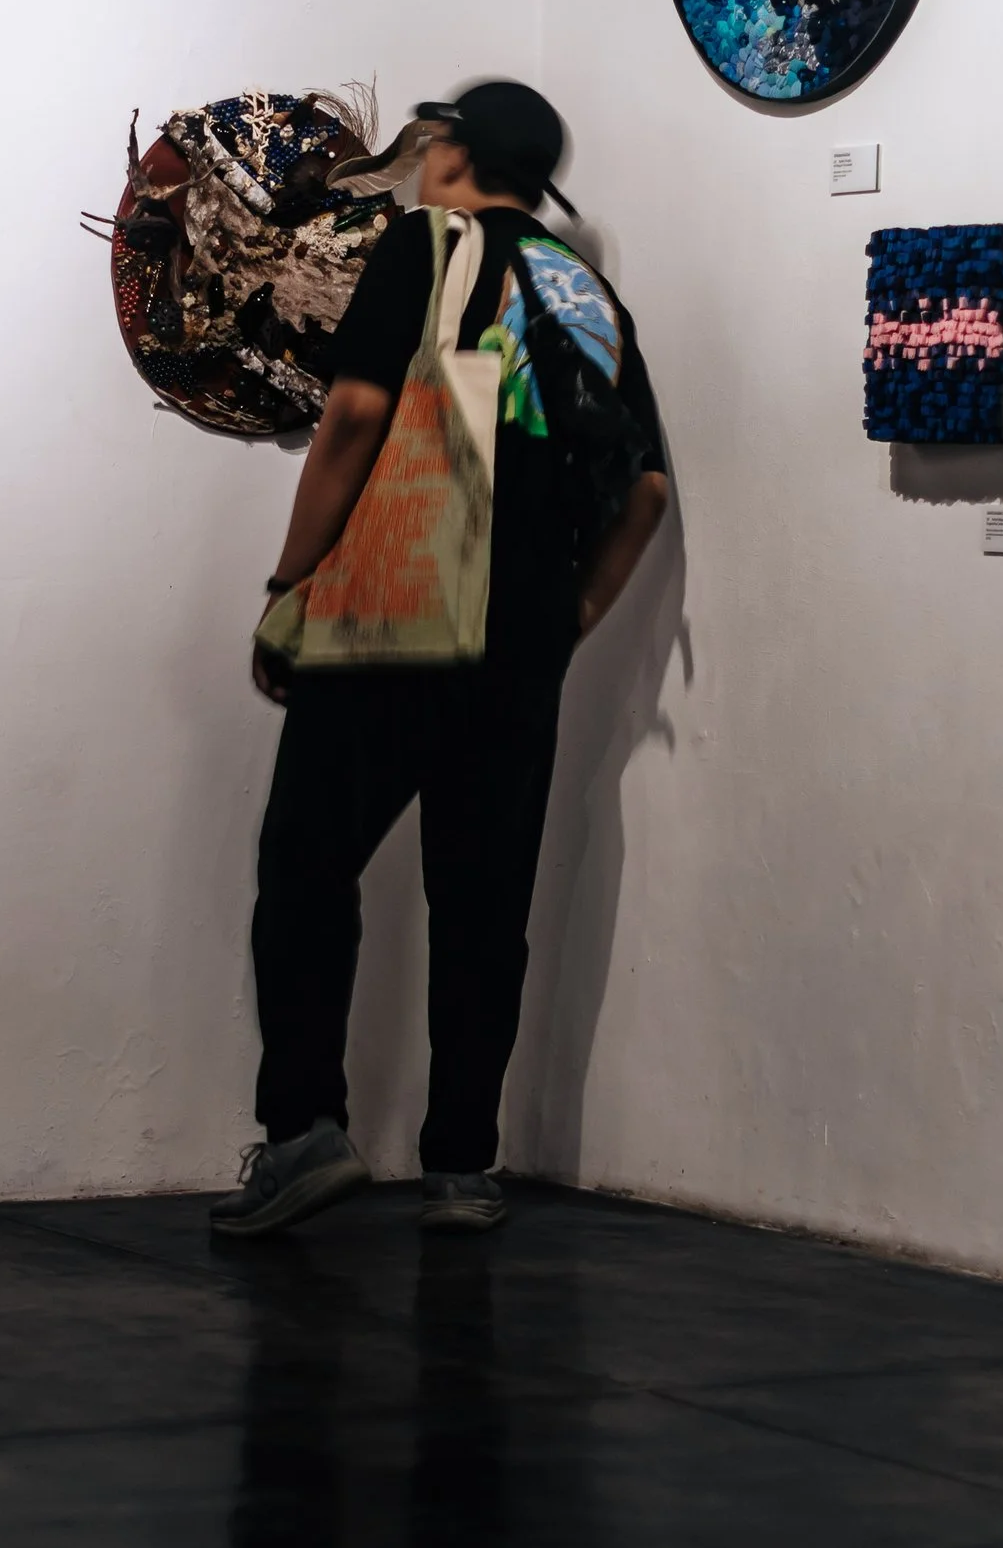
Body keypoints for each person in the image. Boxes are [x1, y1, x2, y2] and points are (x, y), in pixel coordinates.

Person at [213, 80, 670, 1239]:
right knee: (482, 902)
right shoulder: (585, 292)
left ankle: (304, 1133)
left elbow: (356, 418)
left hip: (395, 612)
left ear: (456, 155)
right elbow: (646, 492)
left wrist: (289, 583)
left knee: (306, 867)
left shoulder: (425, 245)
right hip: (520, 644)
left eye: (433, 145)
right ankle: (463, 1167)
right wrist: (571, 614)